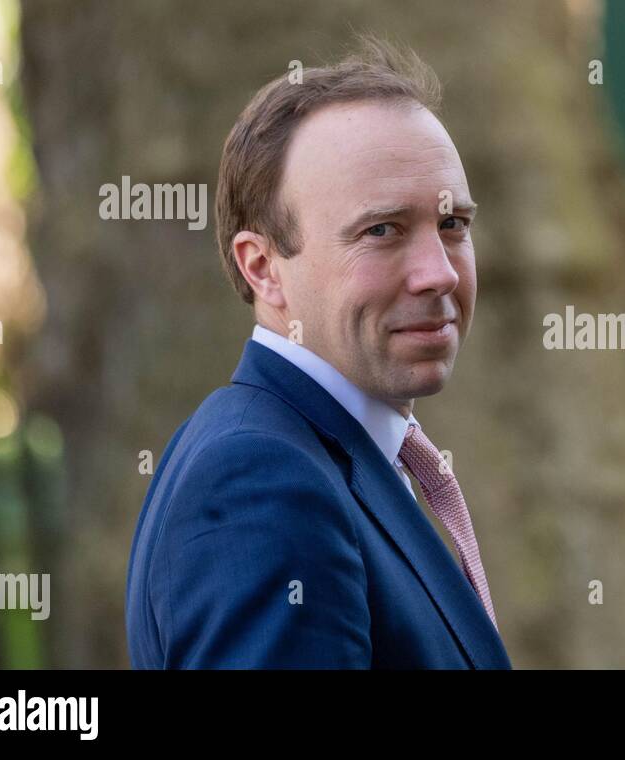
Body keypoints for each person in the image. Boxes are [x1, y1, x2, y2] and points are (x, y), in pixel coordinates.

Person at [125, 38, 509, 669]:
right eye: (381, 230)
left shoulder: (312, 455)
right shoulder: (260, 481)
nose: (438, 273)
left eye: (453, 225)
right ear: (263, 268)